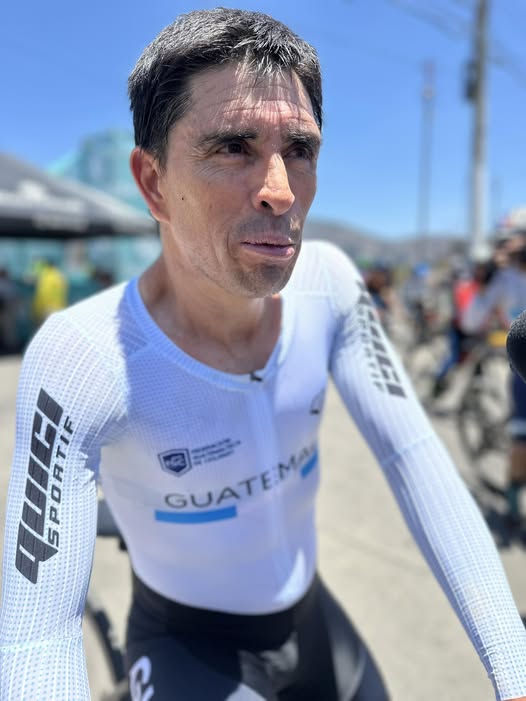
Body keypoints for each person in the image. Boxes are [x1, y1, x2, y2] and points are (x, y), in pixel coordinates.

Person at [0, 9, 525, 701]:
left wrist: (514, 665)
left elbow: (413, 457)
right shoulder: (82, 355)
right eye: (232, 146)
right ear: (153, 183)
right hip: (189, 644)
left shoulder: (330, 284)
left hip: (312, 620)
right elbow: (36, 633)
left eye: (299, 149)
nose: (281, 189)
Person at [462, 229, 526, 527]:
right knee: (522, 441)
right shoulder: (503, 278)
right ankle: (513, 502)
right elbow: (471, 320)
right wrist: (486, 282)